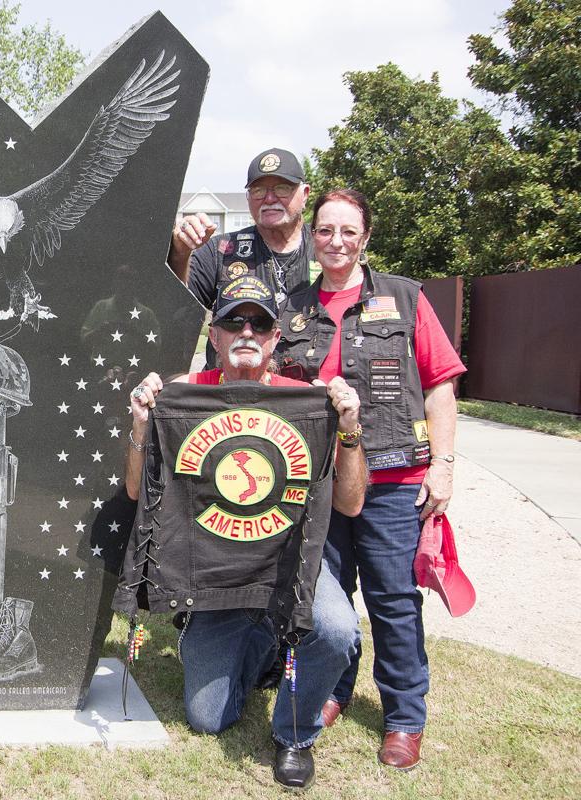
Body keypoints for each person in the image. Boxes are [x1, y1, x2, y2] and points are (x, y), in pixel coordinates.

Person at [123, 279, 367, 790]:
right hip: (214, 576)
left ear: (276, 338)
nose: (246, 332)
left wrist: (348, 426)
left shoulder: (307, 401)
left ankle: (294, 735)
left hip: (288, 564)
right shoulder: (183, 394)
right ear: (214, 335)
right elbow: (133, 491)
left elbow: (350, 502)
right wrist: (143, 426)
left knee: (336, 628)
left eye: (259, 323)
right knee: (208, 718)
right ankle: (266, 642)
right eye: (234, 322)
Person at [275, 188, 466, 771]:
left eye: (347, 231)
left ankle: (405, 717)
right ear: (311, 236)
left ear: (365, 238)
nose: (335, 241)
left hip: (393, 477)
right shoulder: (292, 306)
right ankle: (334, 690)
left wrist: (444, 463)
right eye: (325, 230)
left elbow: (439, 384)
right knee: (327, 600)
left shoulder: (405, 299)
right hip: (317, 482)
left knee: (393, 600)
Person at [168, 148, 319, 367]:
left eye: (282, 188)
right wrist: (180, 252)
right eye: (258, 190)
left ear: (304, 194)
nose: (269, 198)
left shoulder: (326, 248)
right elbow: (174, 308)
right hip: (228, 391)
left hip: (303, 392)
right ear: (248, 197)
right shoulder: (221, 250)